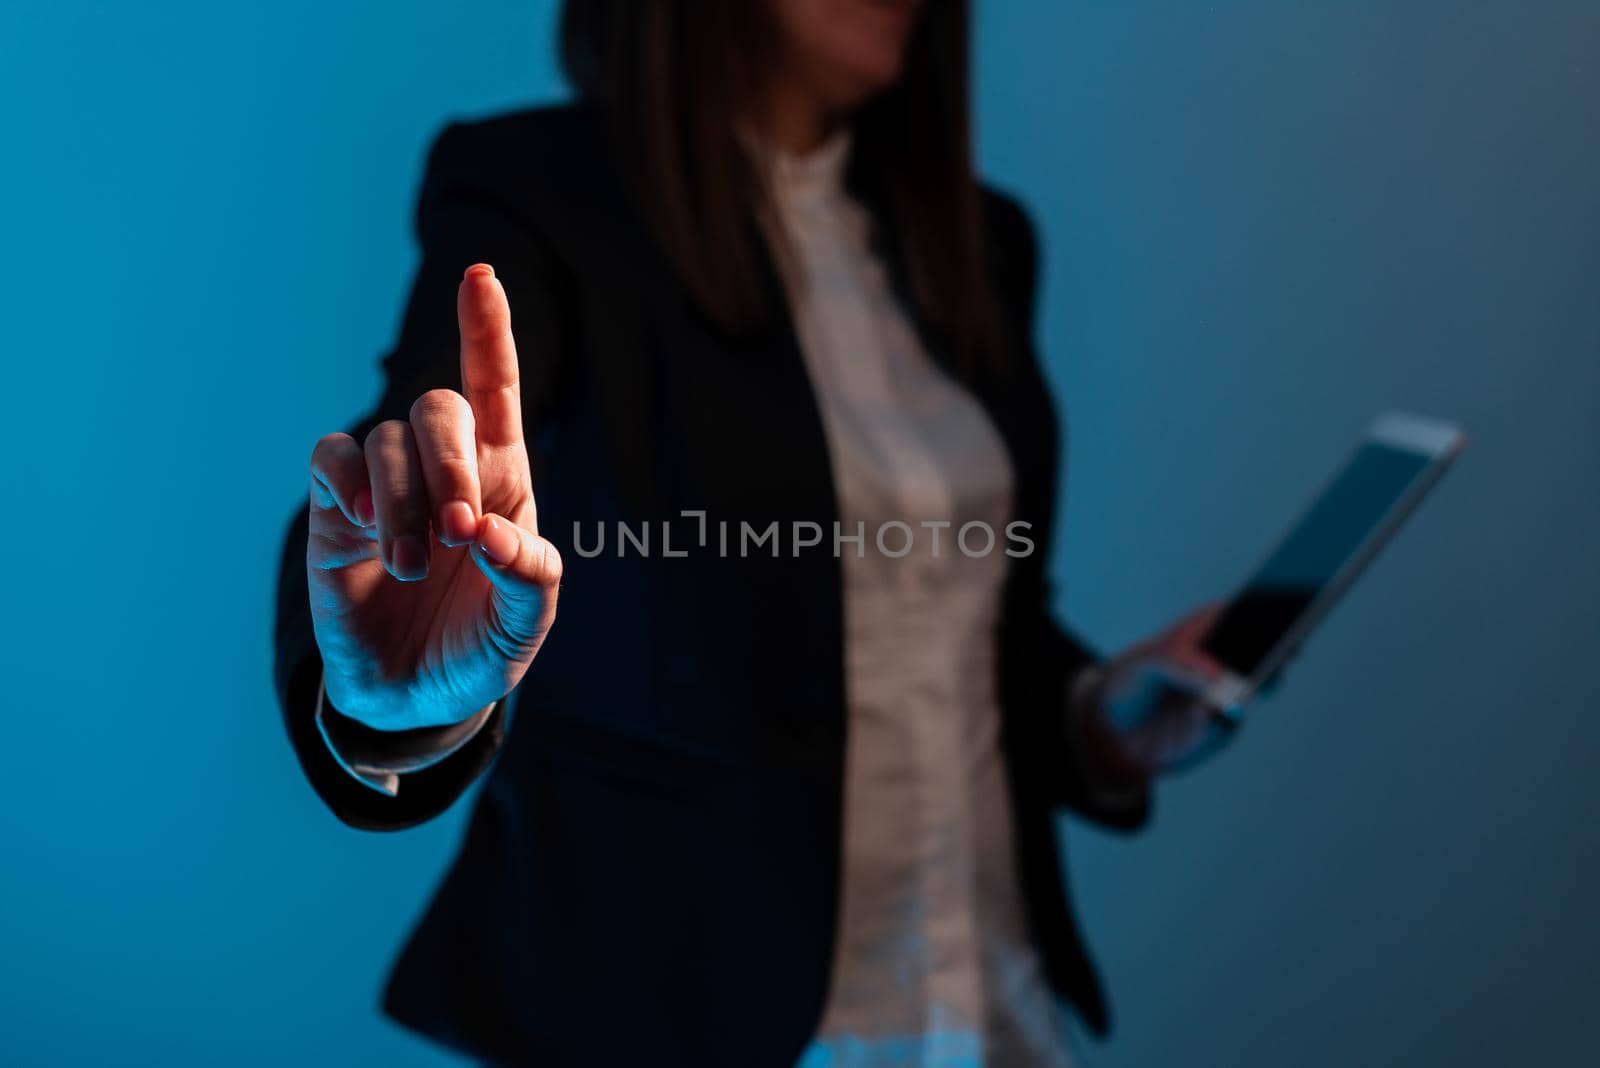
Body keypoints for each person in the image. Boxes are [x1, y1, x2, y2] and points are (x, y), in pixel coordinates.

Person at [273, 0, 1230, 1063]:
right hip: (686, 1016)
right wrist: (382, 693)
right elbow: (418, 456)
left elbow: (949, 621)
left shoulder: (982, 240)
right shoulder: (540, 192)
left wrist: (1093, 720)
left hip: (985, 997)